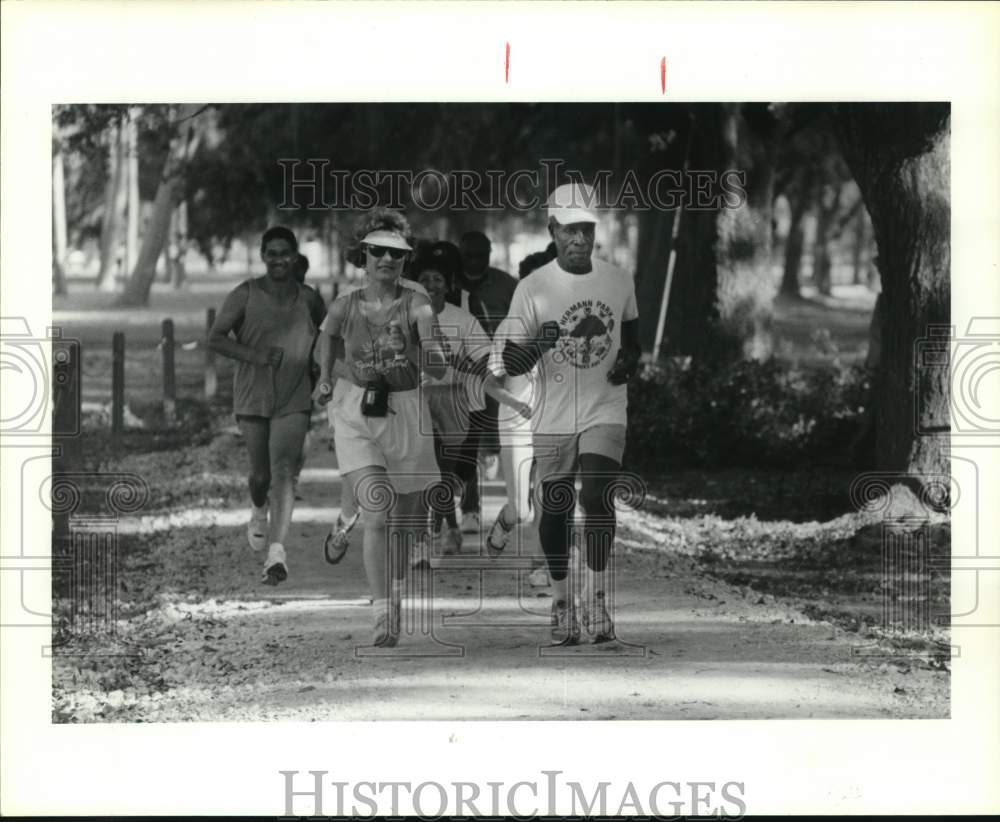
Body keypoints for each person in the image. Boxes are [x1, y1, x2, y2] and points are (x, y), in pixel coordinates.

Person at [490, 184, 641, 645]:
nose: (580, 239)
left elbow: (633, 338)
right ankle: (561, 602)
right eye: (570, 230)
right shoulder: (532, 289)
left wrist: (630, 361)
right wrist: (541, 342)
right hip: (552, 414)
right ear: (552, 230)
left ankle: (595, 599)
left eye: (587, 229)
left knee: (597, 496)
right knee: (555, 509)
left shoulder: (618, 280)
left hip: (605, 406)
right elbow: (511, 364)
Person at [312, 209, 450, 647]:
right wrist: (325, 376)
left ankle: (395, 594)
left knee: (408, 525)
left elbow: (438, 362)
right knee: (378, 510)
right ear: (363, 255)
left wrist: (413, 352)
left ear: (405, 260)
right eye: (377, 252)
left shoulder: (417, 304)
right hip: (355, 410)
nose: (386, 260)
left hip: (406, 411)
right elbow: (326, 339)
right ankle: (380, 612)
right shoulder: (344, 304)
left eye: (396, 254)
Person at [209, 226, 326, 585]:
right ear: (263, 256)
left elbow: (326, 340)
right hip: (253, 394)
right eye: (271, 253)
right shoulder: (244, 294)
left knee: (285, 471)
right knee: (261, 476)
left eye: (285, 253)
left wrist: (325, 377)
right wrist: (255, 355)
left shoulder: (309, 298)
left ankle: (277, 553)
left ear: (295, 257)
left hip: (294, 394)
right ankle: (258, 509)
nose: (278, 259)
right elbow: (215, 338)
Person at [410, 256, 531, 563]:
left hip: (460, 402)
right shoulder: (404, 318)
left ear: (448, 285)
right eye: (424, 279)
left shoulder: (463, 319)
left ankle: (449, 525)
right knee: (430, 472)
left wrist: (457, 362)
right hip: (417, 401)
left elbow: (487, 364)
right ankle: (429, 539)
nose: (431, 285)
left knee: (451, 475)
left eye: (437, 279)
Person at [453, 231, 518, 534]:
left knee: (496, 435)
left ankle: (491, 453)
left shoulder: (507, 286)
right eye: (470, 255)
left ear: (490, 254)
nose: (476, 261)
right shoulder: (450, 284)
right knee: (465, 441)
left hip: (499, 371)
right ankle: (469, 509)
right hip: (460, 373)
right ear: (461, 255)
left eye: (482, 255)